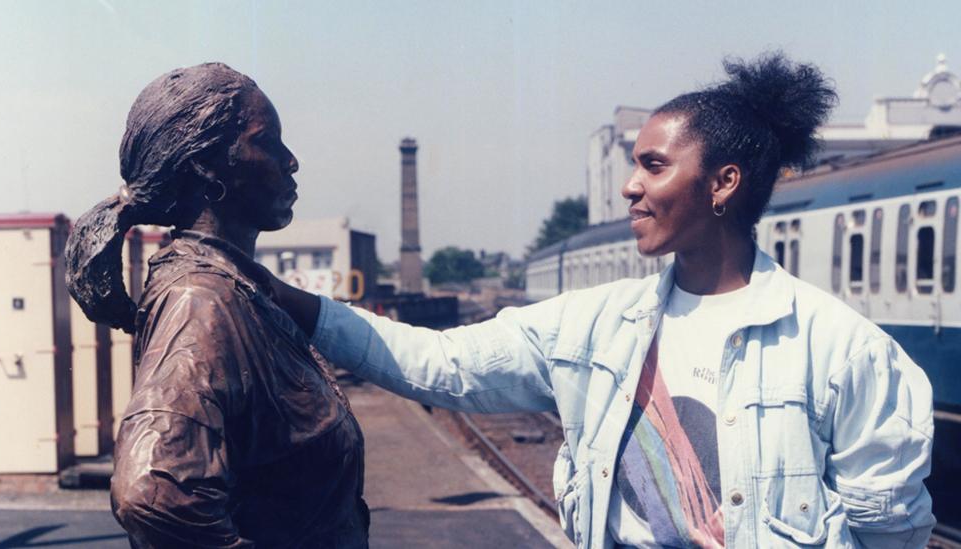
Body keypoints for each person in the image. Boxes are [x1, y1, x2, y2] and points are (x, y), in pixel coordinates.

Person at [270, 52, 934, 548]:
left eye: (654, 165)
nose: (629, 187)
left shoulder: (843, 352)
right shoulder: (595, 325)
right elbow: (439, 363)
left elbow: (891, 533)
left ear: (722, 183)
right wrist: (280, 295)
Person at [65, 63, 368, 548]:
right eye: (267, 141)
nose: (291, 161)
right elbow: (151, 493)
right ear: (207, 165)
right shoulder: (202, 303)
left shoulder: (236, 289)